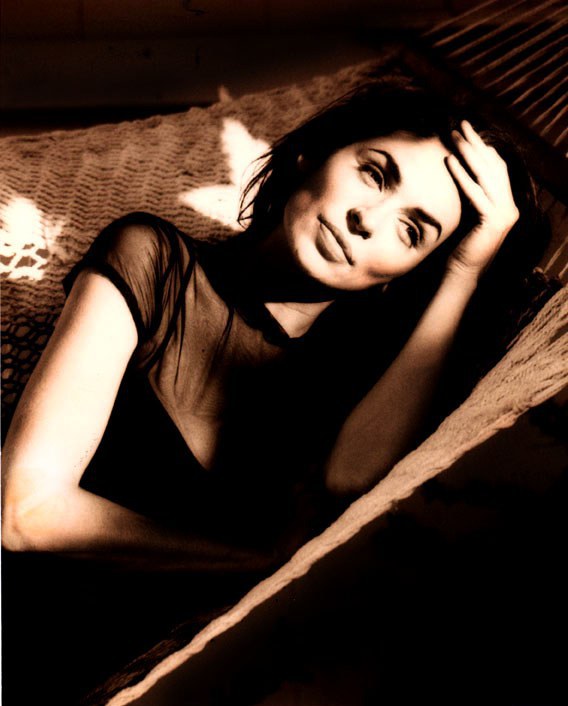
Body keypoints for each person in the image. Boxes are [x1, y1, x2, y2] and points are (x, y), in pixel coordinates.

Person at [1, 78, 548, 572]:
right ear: (311, 155)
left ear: (403, 276)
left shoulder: (368, 376)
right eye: (375, 174)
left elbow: (351, 481)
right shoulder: (155, 263)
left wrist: (464, 270)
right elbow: (24, 513)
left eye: (412, 232)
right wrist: (252, 560)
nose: (367, 220)